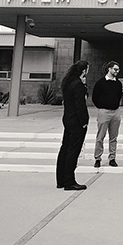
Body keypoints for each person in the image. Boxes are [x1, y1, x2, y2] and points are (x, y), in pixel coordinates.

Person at [56, 60, 90, 190]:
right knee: (73, 151)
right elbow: (80, 105)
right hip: (76, 121)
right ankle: (69, 181)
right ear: (84, 70)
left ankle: (61, 180)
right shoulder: (78, 85)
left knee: (65, 148)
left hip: (67, 118)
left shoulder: (68, 83)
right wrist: (84, 122)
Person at [91, 61, 123, 167]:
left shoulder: (118, 83)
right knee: (100, 136)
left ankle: (112, 158)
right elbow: (95, 97)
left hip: (115, 112)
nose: (117, 72)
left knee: (113, 137)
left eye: (118, 70)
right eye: (115, 69)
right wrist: (101, 107)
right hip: (104, 111)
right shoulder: (100, 83)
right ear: (109, 69)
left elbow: (119, 96)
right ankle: (98, 158)